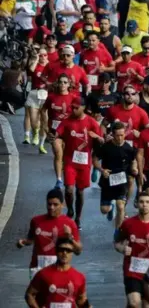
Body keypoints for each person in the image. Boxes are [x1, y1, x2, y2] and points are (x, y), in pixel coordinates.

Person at [52, 95, 103, 228]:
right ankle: (70, 209)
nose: (73, 110)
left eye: (76, 108)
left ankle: (78, 217)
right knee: (69, 190)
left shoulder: (92, 123)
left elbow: (101, 143)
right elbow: (57, 134)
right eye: (72, 107)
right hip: (70, 161)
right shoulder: (67, 121)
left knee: (80, 191)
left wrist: (97, 138)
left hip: (85, 162)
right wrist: (55, 138)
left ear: (83, 108)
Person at [115, 191, 149, 308]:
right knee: (134, 303)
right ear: (137, 204)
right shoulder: (128, 223)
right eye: (141, 202)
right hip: (132, 270)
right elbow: (117, 242)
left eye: (148, 202)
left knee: (147, 306)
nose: (144, 205)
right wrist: (122, 249)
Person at [17, 188, 82, 275]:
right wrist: (23, 242)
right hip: (37, 267)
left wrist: (70, 237)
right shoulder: (36, 221)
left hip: (58, 269)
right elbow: (31, 240)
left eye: (55, 204)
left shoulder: (70, 223)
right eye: (49, 204)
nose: (51, 207)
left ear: (62, 204)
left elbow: (78, 251)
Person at [94, 121, 138, 235]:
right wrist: (102, 170)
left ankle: (117, 231)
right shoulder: (106, 147)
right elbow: (95, 160)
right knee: (104, 210)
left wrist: (134, 168)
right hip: (107, 180)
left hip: (122, 181)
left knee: (121, 206)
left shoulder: (128, 148)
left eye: (122, 135)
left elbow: (133, 161)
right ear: (112, 134)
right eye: (117, 135)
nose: (120, 138)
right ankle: (111, 207)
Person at [25, 236, 88, 308]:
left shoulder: (79, 277)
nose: (65, 253)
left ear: (72, 253)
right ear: (56, 251)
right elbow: (29, 294)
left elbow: (81, 301)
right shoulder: (43, 274)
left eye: (68, 250)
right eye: (61, 250)